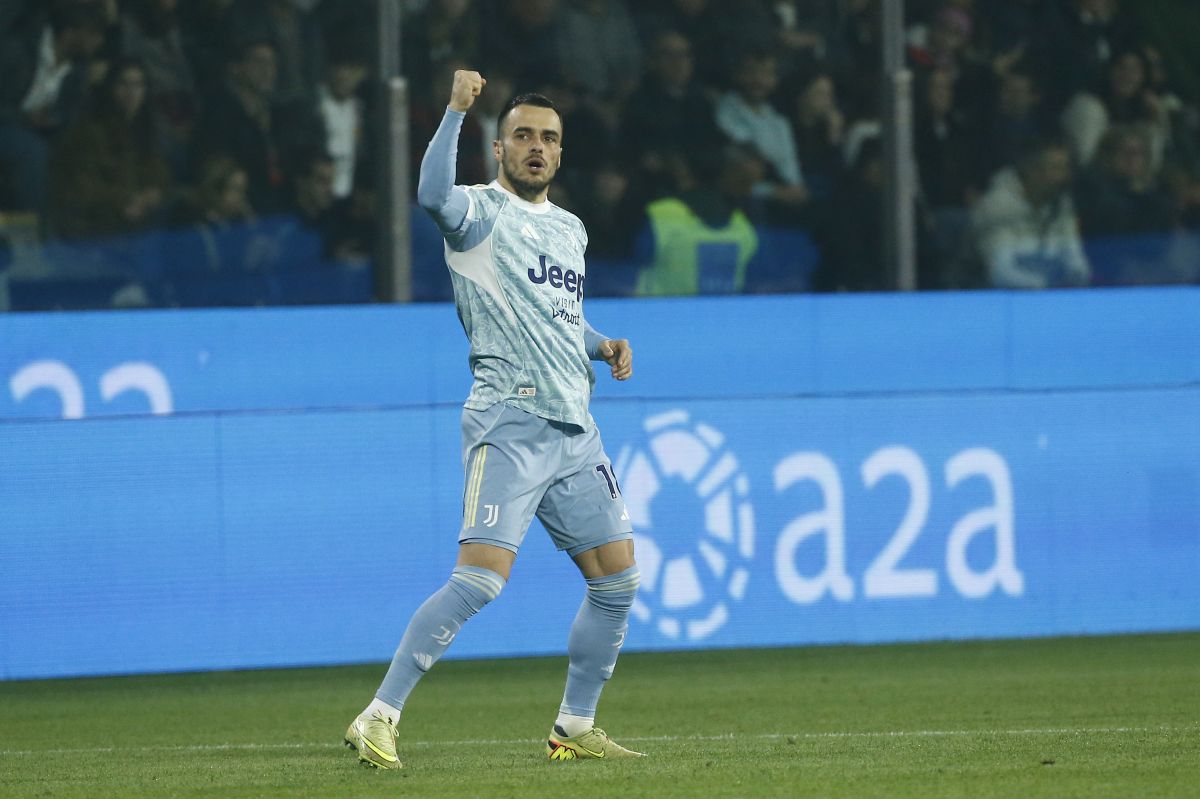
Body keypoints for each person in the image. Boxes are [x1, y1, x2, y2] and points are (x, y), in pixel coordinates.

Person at [343, 69, 643, 769]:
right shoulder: (477, 213)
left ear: (561, 154)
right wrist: (453, 108)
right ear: (499, 149)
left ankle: (574, 725)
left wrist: (601, 344)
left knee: (617, 579)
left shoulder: (570, 229)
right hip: (509, 420)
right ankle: (377, 714)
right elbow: (428, 195)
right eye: (523, 136)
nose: (537, 147)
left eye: (549, 138)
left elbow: (559, 317)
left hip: (575, 426)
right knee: (480, 578)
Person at [971, 137, 1090, 289]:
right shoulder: (996, 207)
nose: (1065, 176)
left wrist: (1076, 275)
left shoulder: (1061, 203)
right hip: (995, 300)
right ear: (1032, 171)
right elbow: (1000, 272)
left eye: (1065, 168)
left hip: (1050, 294)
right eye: (1056, 169)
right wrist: (1047, 286)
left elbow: (1075, 258)